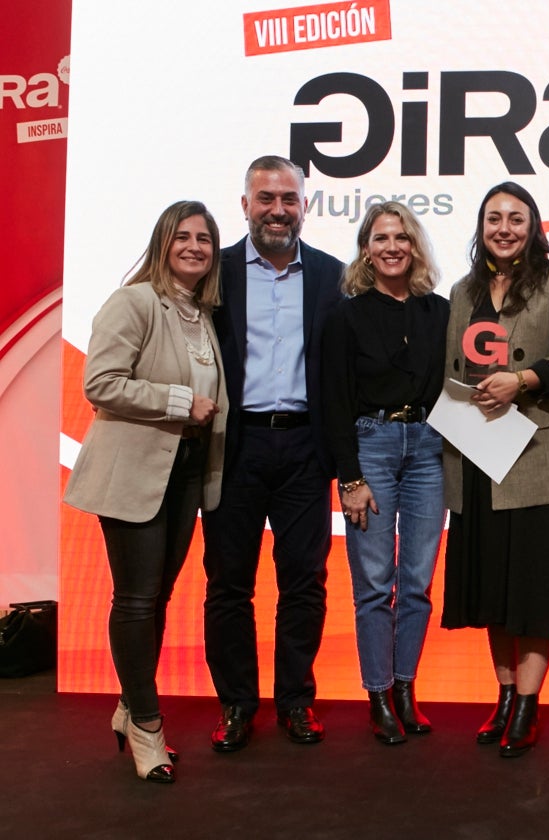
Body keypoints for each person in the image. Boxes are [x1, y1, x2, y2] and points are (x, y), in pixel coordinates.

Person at [64, 201, 227, 782]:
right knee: (134, 600)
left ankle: (130, 705)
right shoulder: (133, 302)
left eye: (204, 239)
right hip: (133, 471)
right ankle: (148, 727)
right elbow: (101, 384)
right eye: (182, 237)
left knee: (156, 598)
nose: (194, 247)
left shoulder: (201, 313)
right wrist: (181, 402)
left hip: (184, 470)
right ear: (161, 243)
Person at [441, 182, 549, 758]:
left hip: (538, 457)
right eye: (494, 218)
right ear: (480, 226)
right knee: (491, 589)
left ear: (534, 226)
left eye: (516, 219)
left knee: (533, 589)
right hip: (478, 458)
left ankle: (528, 707)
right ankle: (503, 698)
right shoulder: (462, 290)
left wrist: (523, 380)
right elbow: (450, 369)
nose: (504, 228)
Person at [202, 155, 345, 751]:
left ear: (305, 207)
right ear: (245, 206)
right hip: (235, 446)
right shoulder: (216, 272)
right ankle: (237, 705)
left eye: (289, 199)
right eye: (266, 199)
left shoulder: (334, 275)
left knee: (305, 582)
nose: (278, 210)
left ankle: (296, 702)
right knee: (228, 585)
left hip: (307, 447)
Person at [322, 202, 449, 744]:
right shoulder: (344, 315)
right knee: (374, 584)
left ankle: (404, 689)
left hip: (428, 448)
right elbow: (332, 400)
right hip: (369, 446)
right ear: (366, 249)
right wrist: (349, 478)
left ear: (414, 246)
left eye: (401, 236)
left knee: (416, 582)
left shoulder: (440, 312)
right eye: (380, 238)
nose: (392, 246)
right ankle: (376, 695)